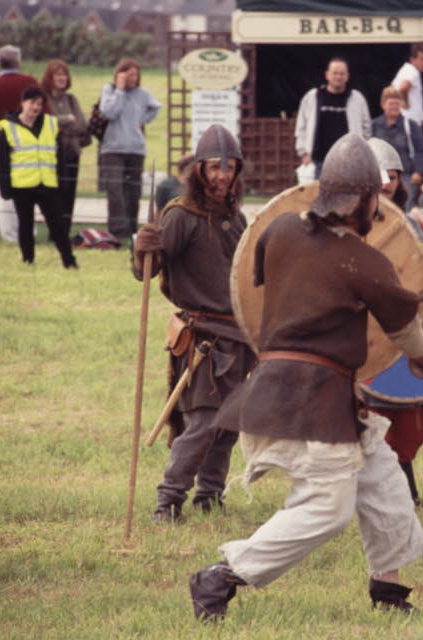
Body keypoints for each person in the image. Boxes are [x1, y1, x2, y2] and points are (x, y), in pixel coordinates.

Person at [187, 133, 423, 620]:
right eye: (374, 198)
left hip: (301, 388)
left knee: (383, 480)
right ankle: (223, 574)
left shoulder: (277, 232)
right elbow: (406, 337)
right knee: (328, 507)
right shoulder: (366, 262)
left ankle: (388, 590)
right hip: (308, 399)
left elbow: (264, 289)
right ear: (361, 199)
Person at [132, 125, 255, 523]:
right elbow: (147, 271)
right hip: (203, 338)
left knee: (229, 425)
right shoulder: (181, 216)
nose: (223, 175)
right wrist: (142, 249)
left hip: (239, 336)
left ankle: (209, 496)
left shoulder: (236, 219)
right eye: (216, 167)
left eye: (230, 167)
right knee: (203, 422)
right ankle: (167, 502)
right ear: (199, 170)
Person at [363, 135, 423, 504]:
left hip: (405, 326)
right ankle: (390, 489)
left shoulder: (410, 225)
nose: (387, 182)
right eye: (379, 176)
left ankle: (403, 481)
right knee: (373, 413)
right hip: (367, 333)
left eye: (392, 176)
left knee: (410, 415)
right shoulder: (351, 223)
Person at [0, 85, 77, 268]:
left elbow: (59, 158)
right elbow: (2, 163)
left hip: (47, 184)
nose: (36, 107)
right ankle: (28, 260)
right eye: (33, 103)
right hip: (22, 187)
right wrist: (5, 189)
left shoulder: (50, 124)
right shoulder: (8, 128)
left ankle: (69, 260)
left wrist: (61, 183)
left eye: (40, 104)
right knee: (25, 225)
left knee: (57, 225)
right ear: (23, 103)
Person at [99, 58, 161, 241]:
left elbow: (156, 107)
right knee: (115, 190)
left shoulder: (142, 94)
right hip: (113, 149)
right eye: (130, 74)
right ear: (120, 74)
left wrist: (142, 120)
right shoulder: (109, 90)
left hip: (135, 149)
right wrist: (120, 90)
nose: (134, 78)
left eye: (136, 74)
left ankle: (132, 229)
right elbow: (109, 112)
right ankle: (118, 231)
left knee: (133, 191)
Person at [0, 45, 43, 243]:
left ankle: (10, 234)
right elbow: (42, 110)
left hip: (2, 142)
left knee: (5, 188)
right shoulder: (29, 83)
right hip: (28, 141)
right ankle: (29, 231)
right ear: (18, 62)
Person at [294, 57, 371, 179]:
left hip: (349, 163)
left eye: (342, 73)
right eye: (335, 73)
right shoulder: (313, 97)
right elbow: (301, 127)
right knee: (320, 197)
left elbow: (367, 129)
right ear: (327, 75)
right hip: (319, 162)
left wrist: (361, 154)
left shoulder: (357, 98)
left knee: (349, 197)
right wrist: (303, 153)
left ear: (347, 76)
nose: (338, 77)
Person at [40, 59, 88, 241]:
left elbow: (82, 125)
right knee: (55, 194)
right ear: (50, 77)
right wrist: (67, 119)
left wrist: (60, 123)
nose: (62, 78)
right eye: (58, 74)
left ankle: (64, 233)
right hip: (52, 154)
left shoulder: (71, 99)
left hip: (72, 152)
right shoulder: (43, 98)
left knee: (69, 193)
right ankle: (54, 232)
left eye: (64, 74)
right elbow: (44, 122)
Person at [371, 86, 423, 210]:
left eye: (397, 103)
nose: (394, 107)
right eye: (391, 104)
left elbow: (419, 150)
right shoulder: (373, 125)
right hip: (380, 175)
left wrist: (418, 171)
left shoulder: (411, 126)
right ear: (383, 105)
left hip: (406, 175)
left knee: (403, 209)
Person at [392, 43, 423, 123]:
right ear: (412, 60)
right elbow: (403, 87)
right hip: (409, 121)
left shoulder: (406, 70)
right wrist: (405, 103)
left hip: (403, 120)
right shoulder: (412, 71)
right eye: (422, 59)